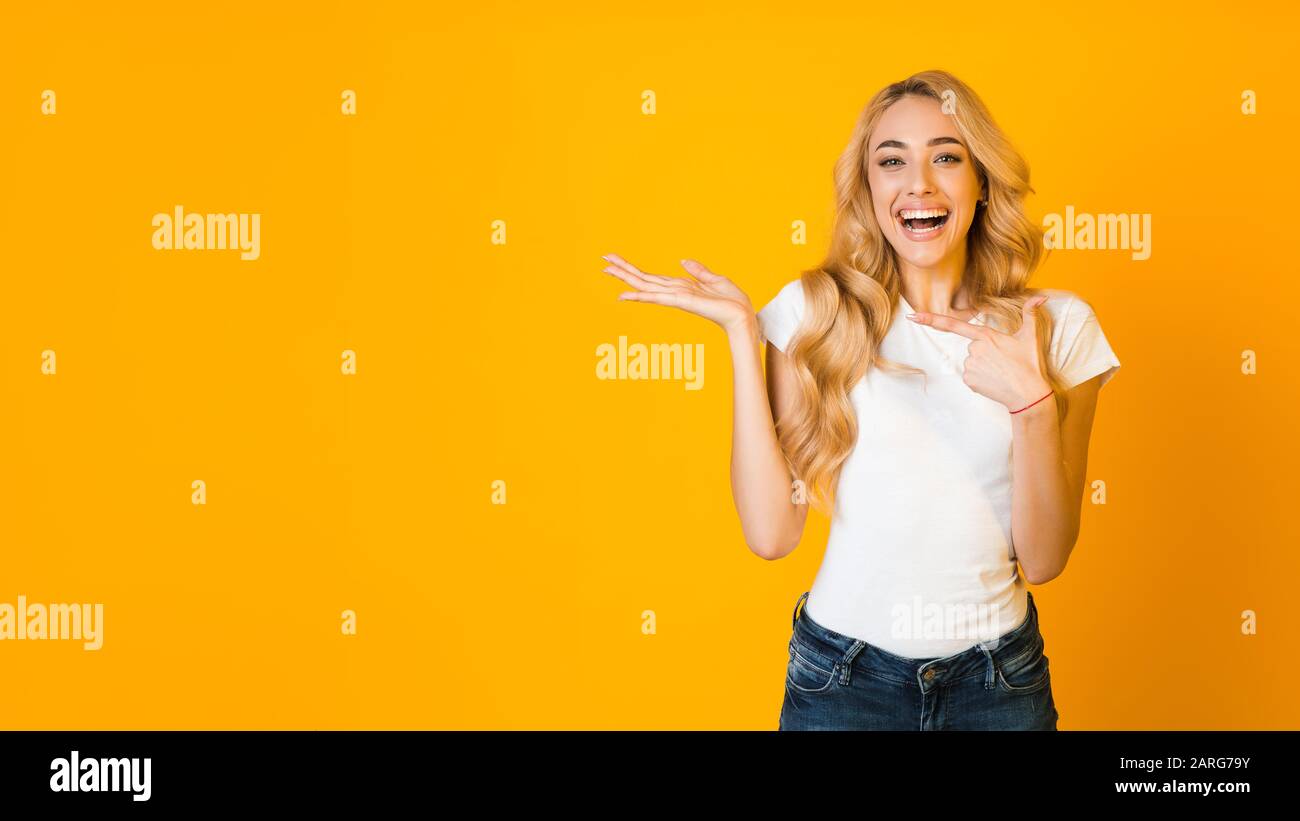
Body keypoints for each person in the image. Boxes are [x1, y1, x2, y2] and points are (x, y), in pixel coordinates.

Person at [600, 69, 1120, 730]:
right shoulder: (814, 314)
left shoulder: (1058, 328)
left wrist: (1033, 406)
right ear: (869, 188)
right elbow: (771, 533)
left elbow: (1044, 559)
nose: (919, 184)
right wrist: (741, 332)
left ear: (982, 181)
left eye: (947, 157)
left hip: (998, 686)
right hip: (841, 684)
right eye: (892, 161)